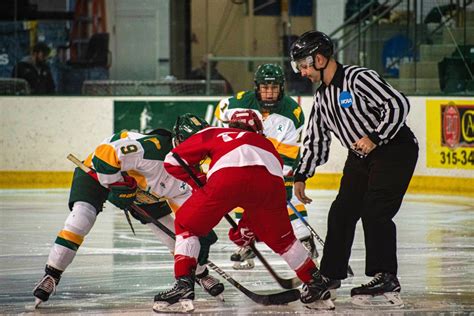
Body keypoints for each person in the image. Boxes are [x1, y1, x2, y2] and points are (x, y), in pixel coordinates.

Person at [153, 112, 334, 313]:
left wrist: (201, 182)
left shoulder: (215, 132)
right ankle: (316, 283)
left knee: (186, 225)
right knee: (285, 241)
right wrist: (245, 229)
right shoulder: (268, 146)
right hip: (272, 185)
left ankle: (184, 286)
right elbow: (256, 191)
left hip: (226, 178)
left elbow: (173, 159)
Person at [290, 30, 419, 307]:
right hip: (361, 155)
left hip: (395, 148)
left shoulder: (358, 78)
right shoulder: (323, 98)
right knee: (342, 211)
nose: (302, 72)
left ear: (320, 59)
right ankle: (331, 274)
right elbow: (315, 139)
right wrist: (302, 174)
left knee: (376, 210)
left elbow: (397, 103)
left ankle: (386, 275)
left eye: (303, 65)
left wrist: (375, 136)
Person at [32, 128, 224, 308]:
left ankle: (199, 274)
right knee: (80, 219)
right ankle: (52, 274)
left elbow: (186, 221)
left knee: (176, 236)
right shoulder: (151, 149)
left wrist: (198, 227)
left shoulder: (186, 175)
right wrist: (116, 184)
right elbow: (105, 154)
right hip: (98, 174)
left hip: (139, 189)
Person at [214, 63, 317, 270]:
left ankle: (305, 239)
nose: (269, 93)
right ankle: (248, 244)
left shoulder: (292, 113)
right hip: (244, 158)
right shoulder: (237, 104)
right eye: (265, 87)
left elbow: (288, 156)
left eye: (274, 88)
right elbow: (221, 131)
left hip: (275, 162)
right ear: (257, 87)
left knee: (287, 196)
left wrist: (271, 177)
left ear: (281, 87)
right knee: (240, 197)